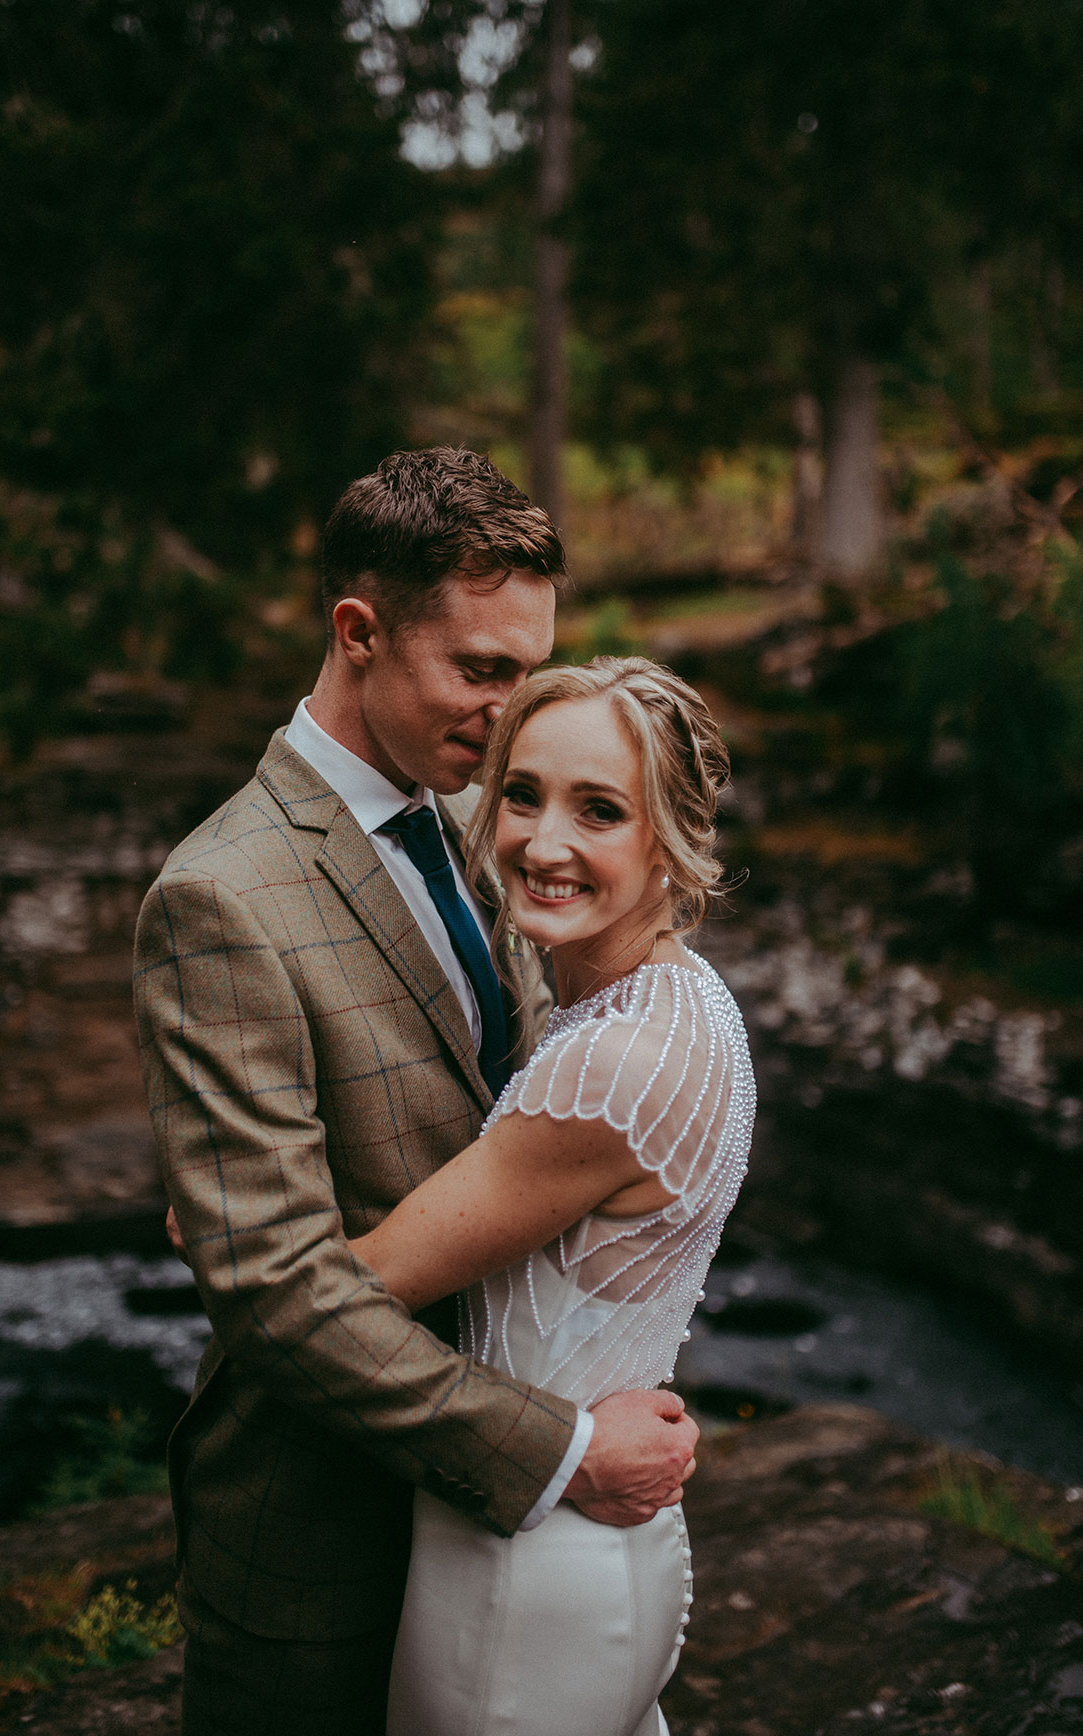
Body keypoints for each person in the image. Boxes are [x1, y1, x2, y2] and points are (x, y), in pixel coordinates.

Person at [133, 448, 700, 1736]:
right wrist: (559, 1451)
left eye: (531, 670)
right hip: (326, 1528)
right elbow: (277, 1289)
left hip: (498, 1550)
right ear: (359, 631)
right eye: (483, 671)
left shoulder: (478, 820)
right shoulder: (222, 896)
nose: (512, 715)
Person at [347, 654, 756, 1736]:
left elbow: (358, 1288)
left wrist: (217, 1218)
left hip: (518, 1571)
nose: (543, 841)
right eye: (520, 793)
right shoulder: (688, 1003)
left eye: (600, 810)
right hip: (605, 1545)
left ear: (671, 839)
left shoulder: (608, 1069)